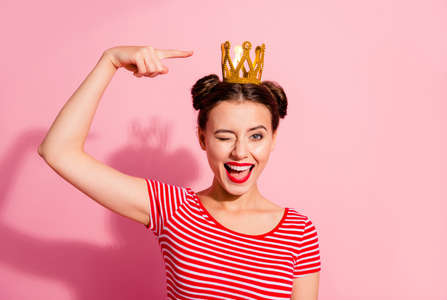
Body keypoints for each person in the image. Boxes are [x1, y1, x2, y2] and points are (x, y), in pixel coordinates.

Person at [38, 44, 321, 299]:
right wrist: (109, 61)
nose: (240, 152)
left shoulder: (299, 232)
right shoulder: (174, 209)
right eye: (224, 136)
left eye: (256, 136)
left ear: (273, 138)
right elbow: (57, 151)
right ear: (202, 138)